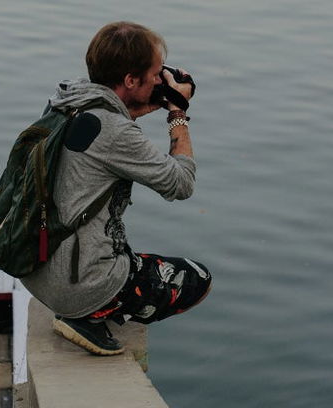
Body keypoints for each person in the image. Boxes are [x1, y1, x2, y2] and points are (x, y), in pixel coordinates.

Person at [20, 21, 211, 356]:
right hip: (76, 286)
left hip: (35, 270)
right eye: (154, 74)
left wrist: (138, 107)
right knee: (196, 279)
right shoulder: (117, 132)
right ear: (130, 80)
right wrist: (178, 113)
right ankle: (91, 312)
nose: (158, 80)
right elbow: (181, 184)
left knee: (128, 252)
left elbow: (101, 146)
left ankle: (85, 302)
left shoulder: (66, 100)